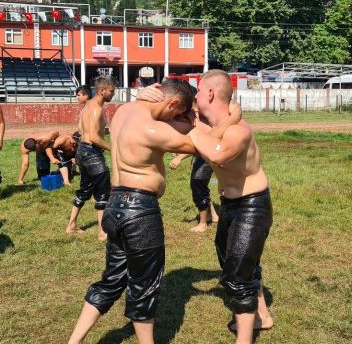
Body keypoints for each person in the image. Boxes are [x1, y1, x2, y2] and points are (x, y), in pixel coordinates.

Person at [68, 80, 240, 344]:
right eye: (177, 113)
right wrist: (232, 119)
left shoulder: (124, 111)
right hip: (140, 211)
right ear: (172, 103)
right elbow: (205, 145)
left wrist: (146, 96)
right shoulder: (154, 129)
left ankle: (74, 341)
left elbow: (167, 119)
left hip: (114, 206)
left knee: (112, 279)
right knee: (144, 286)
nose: (176, 119)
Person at [187, 70, 274, 343]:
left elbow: (218, 153)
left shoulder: (240, 130)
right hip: (230, 205)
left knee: (237, 276)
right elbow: (204, 139)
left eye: (199, 91)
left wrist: (193, 130)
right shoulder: (220, 126)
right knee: (238, 264)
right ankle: (261, 316)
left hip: (252, 207)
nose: (196, 96)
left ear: (211, 93)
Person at [66, 76, 115, 239]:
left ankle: (71, 225)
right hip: (92, 153)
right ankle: (102, 231)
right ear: (102, 91)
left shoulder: (87, 106)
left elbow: (85, 130)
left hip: (82, 151)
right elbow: (94, 137)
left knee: (85, 189)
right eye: (111, 91)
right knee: (103, 191)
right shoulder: (97, 109)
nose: (113, 94)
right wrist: (113, 149)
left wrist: (111, 130)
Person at [169, 153, 219, 232]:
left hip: (206, 155)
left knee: (198, 183)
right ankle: (212, 215)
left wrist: (180, 157)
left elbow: (196, 147)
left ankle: (203, 224)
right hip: (204, 155)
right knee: (200, 185)